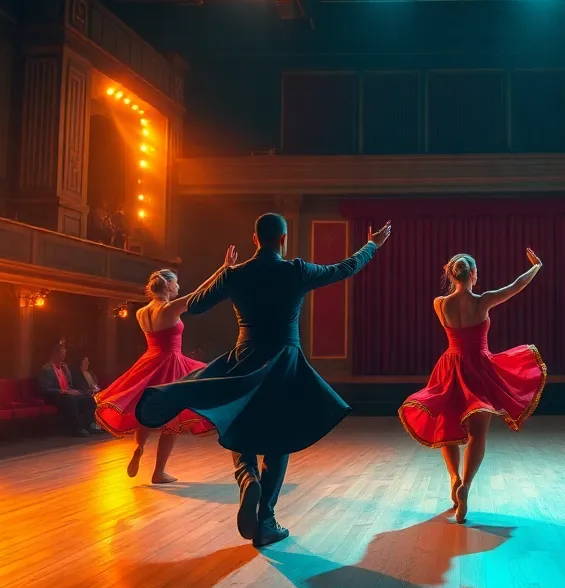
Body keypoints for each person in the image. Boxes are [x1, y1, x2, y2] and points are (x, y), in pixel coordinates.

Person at [136, 213, 392, 547]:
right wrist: (371, 245)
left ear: (254, 239)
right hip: (284, 361)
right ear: (283, 239)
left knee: (237, 420)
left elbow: (195, 306)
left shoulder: (237, 274)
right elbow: (345, 268)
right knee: (278, 435)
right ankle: (266, 519)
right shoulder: (296, 270)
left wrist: (223, 272)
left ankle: (246, 476)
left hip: (245, 356)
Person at [399, 250, 548, 523]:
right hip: (478, 370)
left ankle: (454, 478)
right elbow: (516, 286)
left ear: (451, 274)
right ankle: (466, 485)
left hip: (450, 368)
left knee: (447, 427)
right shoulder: (483, 302)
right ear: (474, 275)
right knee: (478, 434)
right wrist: (536, 267)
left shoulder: (439, 303)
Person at [95, 264, 229, 484]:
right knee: (172, 417)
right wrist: (223, 269)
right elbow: (200, 293)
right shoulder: (169, 309)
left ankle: (139, 448)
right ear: (167, 285)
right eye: (175, 282)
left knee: (146, 408)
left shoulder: (141, 312)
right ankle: (159, 471)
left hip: (149, 362)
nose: (178, 286)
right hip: (171, 362)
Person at [35, 342, 96, 436]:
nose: (63, 356)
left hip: (66, 394)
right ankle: (76, 429)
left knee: (88, 399)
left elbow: (69, 385)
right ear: (56, 354)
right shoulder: (46, 369)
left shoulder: (65, 367)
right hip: (55, 396)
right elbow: (44, 389)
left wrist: (72, 390)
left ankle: (89, 425)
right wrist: (62, 391)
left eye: (64, 354)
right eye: (62, 354)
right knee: (71, 400)